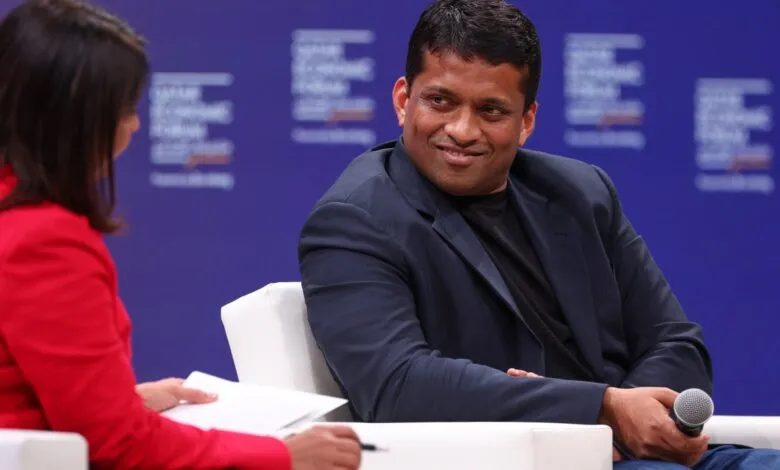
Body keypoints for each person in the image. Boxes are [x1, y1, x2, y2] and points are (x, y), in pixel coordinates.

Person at [297, 0, 780, 468]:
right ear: (404, 100)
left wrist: (634, 421)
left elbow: (676, 341)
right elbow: (398, 386)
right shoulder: (355, 218)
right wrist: (599, 409)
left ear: (526, 121)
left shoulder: (581, 192)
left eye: (491, 110)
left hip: (633, 456)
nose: (462, 130)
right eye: (440, 101)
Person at [0, 1, 362, 469]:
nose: (134, 125)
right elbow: (120, 446)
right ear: (75, 118)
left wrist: (122, 401)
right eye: (124, 109)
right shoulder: (44, 242)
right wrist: (282, 455)